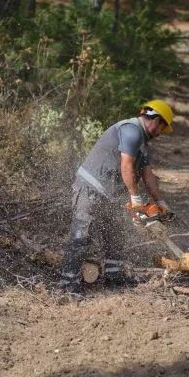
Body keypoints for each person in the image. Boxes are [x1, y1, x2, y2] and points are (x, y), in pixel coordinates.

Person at [59, 99, 175, 294]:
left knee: (115, 234)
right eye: (163, 128)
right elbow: (126, 165)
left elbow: (148, 175)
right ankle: (67, 284)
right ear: (157, 121)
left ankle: (114, 277)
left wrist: (161, 203)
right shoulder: (131, 131)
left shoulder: (141, 142)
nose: (161, 133)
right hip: (90, 188)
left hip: (109, 194)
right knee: (81, 235)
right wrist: (135, 198)